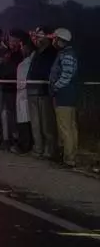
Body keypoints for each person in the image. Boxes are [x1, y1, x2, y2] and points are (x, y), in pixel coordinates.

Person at [26, 27, 58, 159]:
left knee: (46, 123)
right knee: (35, 123)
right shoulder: (36, 52)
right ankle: (38, 148)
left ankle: (49, 150)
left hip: (44, 91)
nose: (37, 38)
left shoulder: (51, 52)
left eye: (40, 35)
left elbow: (48, 71)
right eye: (36, 35)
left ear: (48, 37)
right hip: (32, 90)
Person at [49, 28, 78, 168]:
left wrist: (55, 87)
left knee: (66, 128)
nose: (53, 41)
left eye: (55, 39)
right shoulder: (66, 53)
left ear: (61, 40)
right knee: (71, 127)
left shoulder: (66, 55)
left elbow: (66, 75)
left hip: (64, 95)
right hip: (68, 94)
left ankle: (69, 159)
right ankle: (69, 155)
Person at [0, 31, 24, 150]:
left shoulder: (19, 55)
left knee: (15, 115)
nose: (12, 43)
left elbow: (13, 71)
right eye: (11, 40)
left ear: (19, 42)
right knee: (8, 115)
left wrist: (6, 76)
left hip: (14, 89)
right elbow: (1, 68)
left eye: (14, 41)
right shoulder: (7, 53)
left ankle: (17, 138)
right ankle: (10, 138)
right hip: (6, 88)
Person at [13, 31, 34, 154]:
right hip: (22, 95)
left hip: (25, 94)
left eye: (22, 46)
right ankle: (25, 143)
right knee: (23, 120)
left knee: (26, 121)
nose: (21, 49)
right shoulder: (24, 61)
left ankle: (25, 145)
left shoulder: (28, 63)